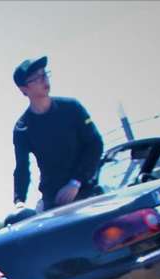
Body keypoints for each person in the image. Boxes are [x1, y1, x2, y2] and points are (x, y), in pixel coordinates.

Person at [11, 56, 104, 211]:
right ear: (24, 89)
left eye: (44, 74)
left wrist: (75, 182)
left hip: (88, 193)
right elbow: (22, 167)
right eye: (36, 78)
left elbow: (95, 144)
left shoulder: (72, 108)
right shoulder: (22, 127)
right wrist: (19, 201)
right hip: (54, 201)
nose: (44, 80)